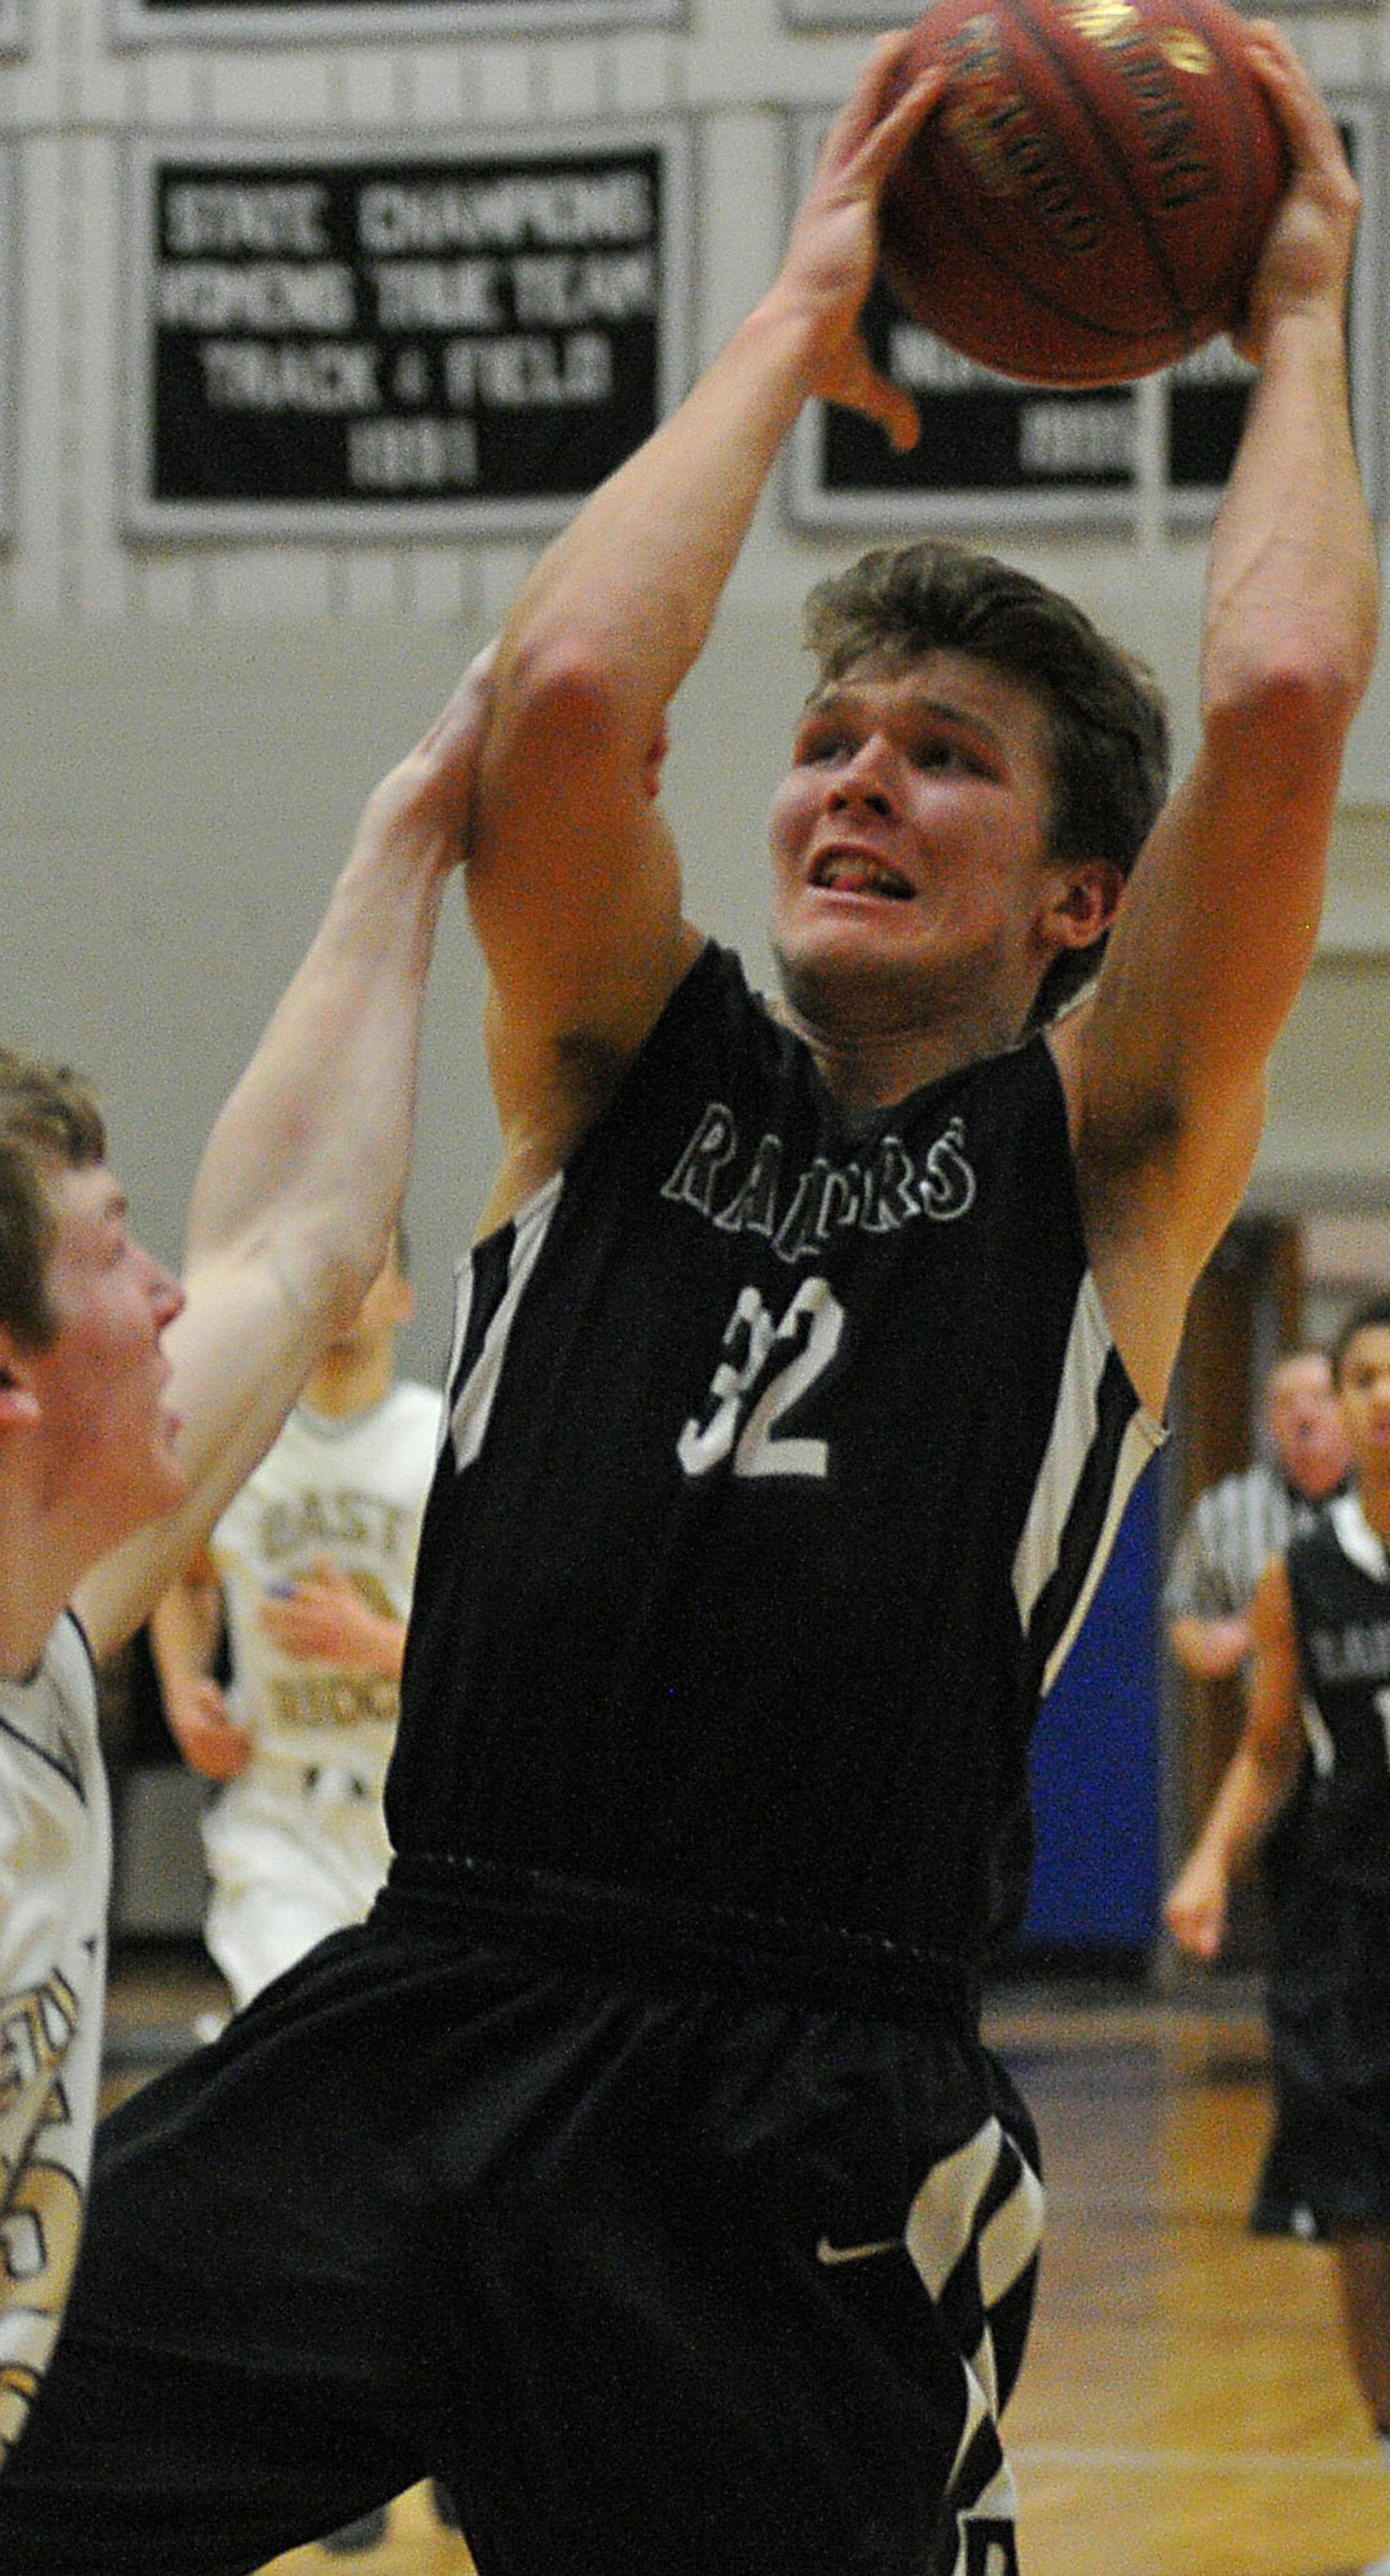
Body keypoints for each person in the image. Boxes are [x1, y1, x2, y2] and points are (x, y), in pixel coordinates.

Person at [0, 25, 1376, 2576]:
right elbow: (557, 709)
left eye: (945, 758)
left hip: (808, 2099)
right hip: (438, 1995)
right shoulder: (626, 1063)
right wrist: (795, 320)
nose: (856, 779)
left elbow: (1288, 705)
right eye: (831, 737)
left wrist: (1298, 312)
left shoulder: (1104, 1158)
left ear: (1080, 894)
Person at [0, 649, 486, 2474]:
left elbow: (295, 1240)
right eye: (120, 1258)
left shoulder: (40, 1641)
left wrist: (410, 836)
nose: (170, 1294)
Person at [1166, 1296, 1390, 2576]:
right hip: (1351, 1936)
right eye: (1359, 1373)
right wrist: (1206, 1864)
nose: (1377, 1395)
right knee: (1364, 2222)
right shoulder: (1295, 1572)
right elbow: (1265, 1750)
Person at [149, 1229, 438, 2022]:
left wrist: (375, 1643)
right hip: (280, 1820)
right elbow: (185, 1575)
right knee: (299, 2038)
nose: (346, 1289)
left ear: (405, 1298)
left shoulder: (444, 1443)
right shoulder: (245, 1442)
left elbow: (504, 1651)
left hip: (411, 1824)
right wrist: (183, 1684)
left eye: (369, 1267)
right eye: (331, 1268)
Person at [1165, 1344, 1350, 1682]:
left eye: (1321, 1398)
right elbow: (1183, 1610)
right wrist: (1236, 1636)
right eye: (1286, 1403)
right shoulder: (1225, 1508)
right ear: (1268, 1420)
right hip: (1274, 1716)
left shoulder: (1379, 1494)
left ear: (1349, 1406)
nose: (1304, 1415)